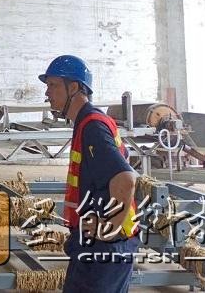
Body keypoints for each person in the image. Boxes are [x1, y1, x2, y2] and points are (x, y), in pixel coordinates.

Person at [39, 55, 139, 293]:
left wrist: (110, 227)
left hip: (106, 247)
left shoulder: (92, 126)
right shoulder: (87, 122)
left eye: (53, 85)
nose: (47, 92)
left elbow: (126, 179)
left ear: (73, 87)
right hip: (95, 243)